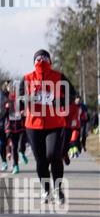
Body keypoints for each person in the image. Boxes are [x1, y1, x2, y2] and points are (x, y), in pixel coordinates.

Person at [20, 50, 76, 204]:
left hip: (54, 124)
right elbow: (20, 98)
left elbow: (72, 95)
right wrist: (27, 100)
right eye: (38, 58)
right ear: (34, 62)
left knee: (53, 155)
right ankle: (46, 190)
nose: (41, 60)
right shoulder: (27, 78)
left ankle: (58, 189)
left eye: (44, 58)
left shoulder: (59, 77)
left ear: (50, 61)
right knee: (41, 160)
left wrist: (59, 102)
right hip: (33, 125)